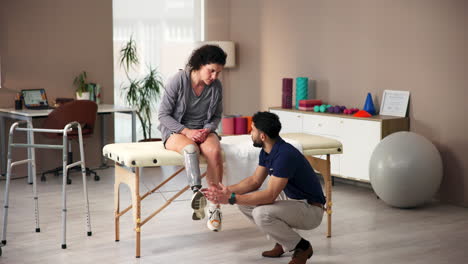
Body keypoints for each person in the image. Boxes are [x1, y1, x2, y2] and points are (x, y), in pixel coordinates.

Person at [203, 112, 325, 264]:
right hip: (294, 201)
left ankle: (302, 247)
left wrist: (232, 199)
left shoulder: (284, 155)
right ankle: (283, 241)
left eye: (252, 129)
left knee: (261, 213)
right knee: (245, 205)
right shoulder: (268, 151)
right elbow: (254, 181)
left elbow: (270, 195)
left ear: (262, 136)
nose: (250, 132)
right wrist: (226, 191)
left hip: (311, 210)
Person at [158, 44, 226, 232]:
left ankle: (214, 207)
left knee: (214, 151)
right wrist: (187, 132)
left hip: (202, 130)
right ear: (199, 64)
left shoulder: (216, 87)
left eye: (218, 73)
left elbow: (216, 116)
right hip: (177, 131)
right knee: (190, 149)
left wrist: (207, 129)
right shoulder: (179, 80)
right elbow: (163, 115)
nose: (214, 77)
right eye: (211, 71)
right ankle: (197, 194)